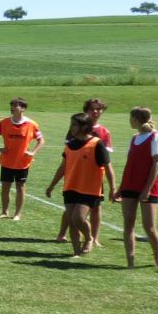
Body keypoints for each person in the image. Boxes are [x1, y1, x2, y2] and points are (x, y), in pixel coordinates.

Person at [44, 112, 116, 257]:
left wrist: (113, 188)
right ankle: (76, 252)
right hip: (70, 187)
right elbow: (62, 167)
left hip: (89, 189)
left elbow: (108, 167)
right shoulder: (69, 145)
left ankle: (89, 238)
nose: (71, 127)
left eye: (74, 124)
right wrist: (52, 185)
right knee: (72, 221)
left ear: (84, 126)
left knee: (78, 218)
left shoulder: (96, 144)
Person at [113, 106, 158, 271]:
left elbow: (157, 164)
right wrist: (120, 188)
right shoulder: (134, 138)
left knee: (149, 227)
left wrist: (147, 189)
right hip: (130, 186)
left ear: (136, 119)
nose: (129, 121)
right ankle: (130, 261)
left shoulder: (156, 137)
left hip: (148, 188)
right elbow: (129, 164)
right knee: (128, 224)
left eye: (130, 118)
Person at [59, 98, 113, 245]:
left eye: (98, 109)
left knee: (96, 207)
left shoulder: (104, 132)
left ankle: (94, 238)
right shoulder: (75, 127)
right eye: (92, 109)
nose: (95, 112)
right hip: (75, 174)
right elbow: (68, 151)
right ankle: (62, 233)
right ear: (86, 110)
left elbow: (105, 159)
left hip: (94, 178)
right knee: (71, 207)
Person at [0, 98, 43, 220]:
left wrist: (33, 152)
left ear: (23, 109)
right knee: (5, 188)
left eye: (15, 106)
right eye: (11, 106)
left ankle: (17, 214)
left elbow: (41, 140)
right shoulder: (4, 123)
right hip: (7, 161)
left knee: (20, 188)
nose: (12, 108)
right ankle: (4, 212)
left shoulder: (31, 124)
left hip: (22, 163)